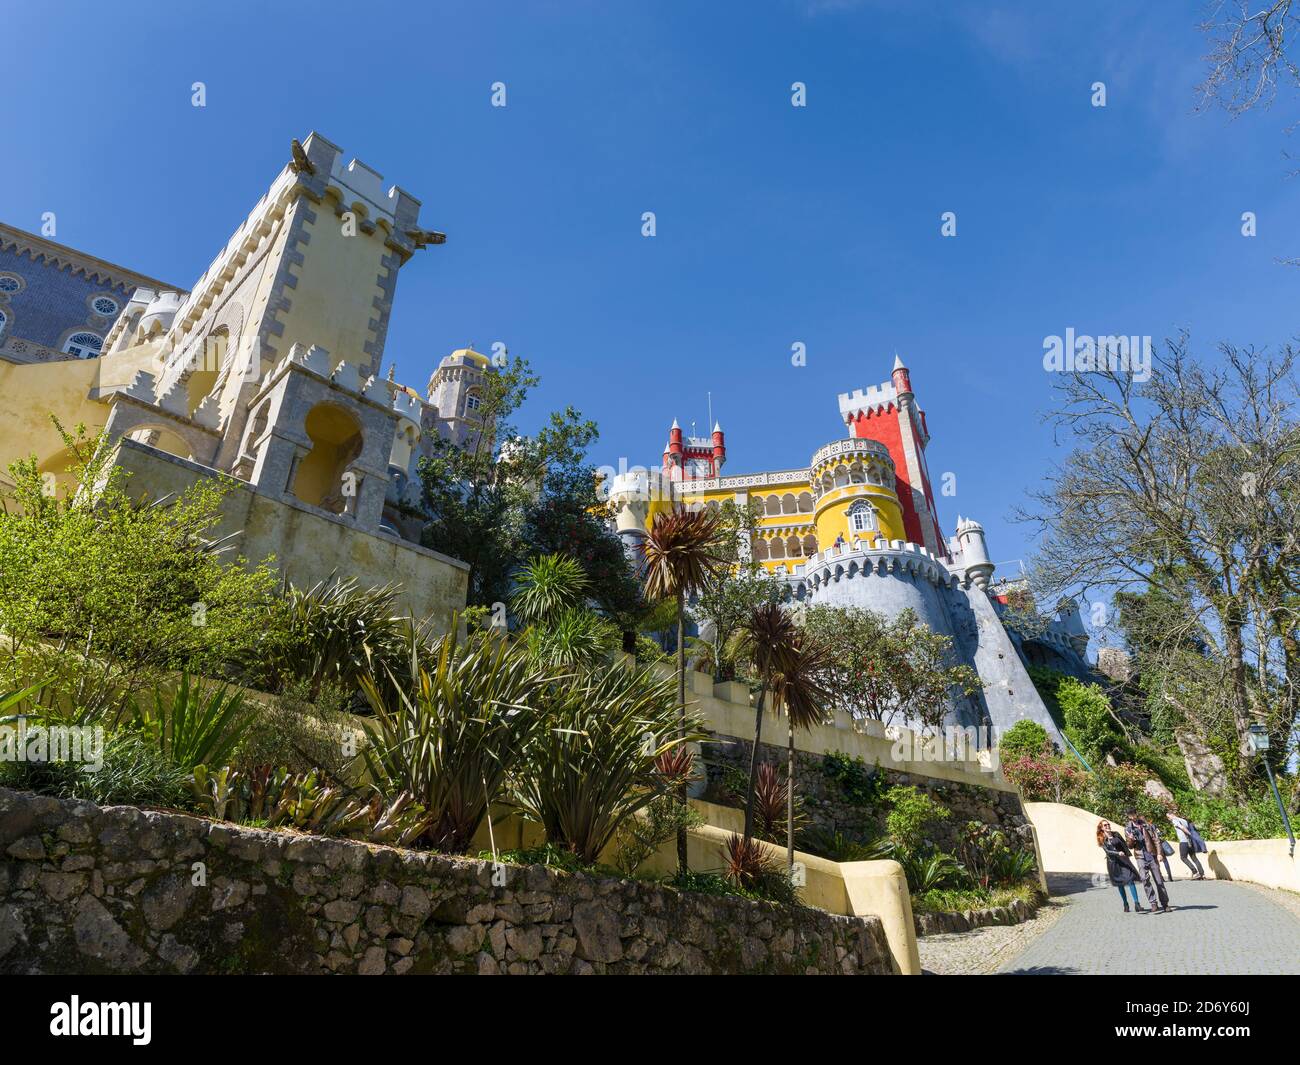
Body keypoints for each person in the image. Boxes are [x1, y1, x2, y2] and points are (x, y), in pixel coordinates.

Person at [1125, 810, 1171, 913]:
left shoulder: (1147, 825)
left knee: (1159, 881)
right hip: (1140, 856)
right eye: (1130, 815)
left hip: (1152, 855)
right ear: (1128, 816)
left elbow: (1156, 840)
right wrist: (1131, 839)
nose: (1133, 816)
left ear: (1136, 814)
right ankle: (1153, 903)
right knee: (1145, 879)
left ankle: (1165, 904)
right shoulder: (1128, 829)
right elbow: (1130, 846)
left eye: (1134, 814)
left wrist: (1159, 853)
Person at [1097, 820, 1143, 912]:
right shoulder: (1101, 838)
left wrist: (1130, 840)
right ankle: (1125, 904)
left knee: (1130, 879)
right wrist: (1118, 853)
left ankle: (1137, 904)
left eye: (1108, 824)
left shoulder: (1116, 834)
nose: (1107, 826)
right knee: (1120, 883)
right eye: (1105, 825)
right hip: (1113, 863)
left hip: (1123, 860)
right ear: (1102, 828)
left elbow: (1125, 844)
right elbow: (1108, 851)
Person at [1167, 810, 1206, 880]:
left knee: (1183, 857)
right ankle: (1202, 874)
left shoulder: (1175, 820)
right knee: (1194, 858)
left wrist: (1189, 834)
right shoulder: (1183, 820)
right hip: (1190, 841)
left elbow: (1182, 828)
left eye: (1168, 816)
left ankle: (1195, 872)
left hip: (1184, 842)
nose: (1168, 818)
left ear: (1172, 814)